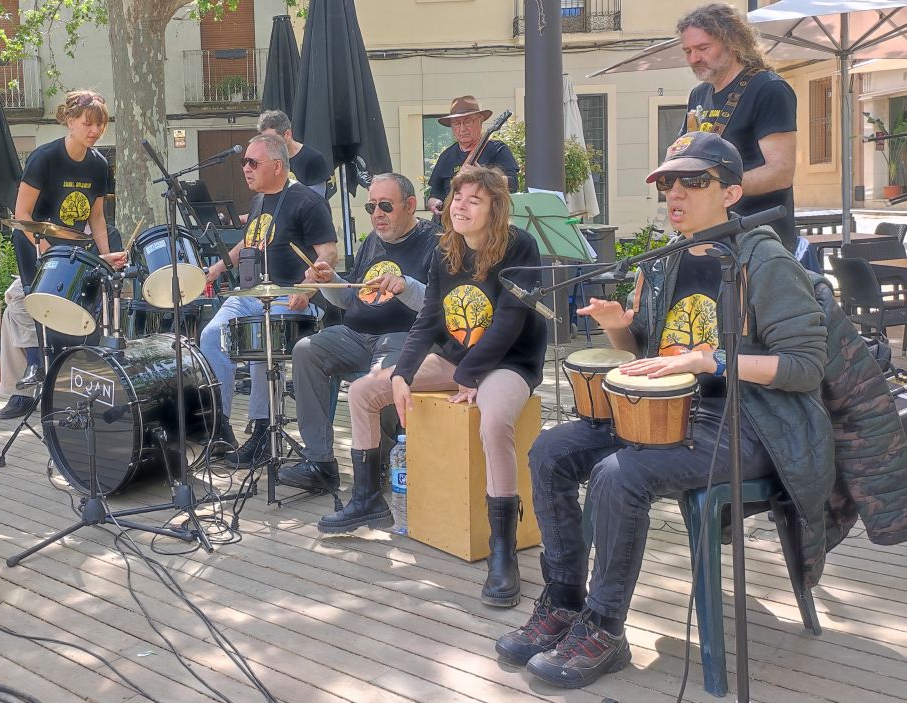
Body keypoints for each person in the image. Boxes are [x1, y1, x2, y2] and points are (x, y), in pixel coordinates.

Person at [496, 132, 829, 688]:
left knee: (618, 474)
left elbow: (805, 366)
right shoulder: (665, 260)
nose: (675, 192)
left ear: (731, 192)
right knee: (551, 449)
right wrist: (618, 329)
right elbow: (648, 356)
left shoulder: (764, 260)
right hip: (666, 415)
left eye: (693, 181)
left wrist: (711, 359)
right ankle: (564, 601)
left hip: (750, 426)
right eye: (668, 183)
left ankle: (604, 628)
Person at [337, 166, 545, 607]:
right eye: (457, 198)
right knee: (363, 392)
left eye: (475, 200)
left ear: (495, 208)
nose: (461, 206)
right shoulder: (445, 250)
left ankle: (502, 552)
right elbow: (429, 319)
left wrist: (471, 375)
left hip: (509, 363)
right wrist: (401, 374)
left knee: (494, 423)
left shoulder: (521, 246)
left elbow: (510, 322)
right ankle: (368, 498)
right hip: (457, 359)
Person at [277, 173, 439, 495]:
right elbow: (351, 298)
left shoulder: (435, 242)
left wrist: (406, 286)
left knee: (383, 376)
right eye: (371, 206)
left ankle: (381, 461)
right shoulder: (371, 242)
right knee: (306, 350)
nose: (377, 214)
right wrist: (329, 280)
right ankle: (320, 462)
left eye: (385, 206)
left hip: (404, 336)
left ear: (410, 205)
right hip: (356, 334)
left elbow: (440, 305)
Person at [201, 133, 339, 465]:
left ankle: (263, 431)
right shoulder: (259, 201)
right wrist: (217, 268)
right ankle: (220, 427)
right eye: (244, 162)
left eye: (253, 162)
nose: (245, 168)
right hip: (254, 295)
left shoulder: (307, 201)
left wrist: (306, 289)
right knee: (211, 336)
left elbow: (329, 254)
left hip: (291, 298)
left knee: (261, 341)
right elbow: (248, 243)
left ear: (277, 166)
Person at [0, 89, 127, 421]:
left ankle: (48, 384)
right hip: (34, 246)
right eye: (88, 123)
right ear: (70, 121)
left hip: (73, 252)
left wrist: (106, 257)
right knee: (23, 303)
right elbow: (22, 214)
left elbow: (96, 219)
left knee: (41, 313)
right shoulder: (44, 158)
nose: (95, 131)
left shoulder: (99, 165)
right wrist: (45, 251)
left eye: (100, 125)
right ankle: (33, 372)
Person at [680, 3, 798, 253]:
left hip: (760, 243)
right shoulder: (698, 94)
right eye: (688, 51)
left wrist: (715, 189)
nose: (694, 59)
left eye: (703, 48)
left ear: (732, 42)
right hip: (708, 237)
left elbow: (780, 173)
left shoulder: (769, 89)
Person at [427, 96, 519, 218]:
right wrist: (433, 201)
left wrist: (485, 176)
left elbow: (513, 184)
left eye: (468, 122)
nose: (462, 128)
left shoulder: (497, 149)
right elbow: (435, 191)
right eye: (456, 123)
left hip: (485, 222)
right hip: (448, 223)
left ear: (480, 121)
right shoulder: (446, 155)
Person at [257, 110, 333, 199]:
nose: (268, 145)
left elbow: (317, 201)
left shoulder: (313, 158)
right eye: (265, 140)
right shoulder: (268, 159)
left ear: (287, 134)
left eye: (272, 139)